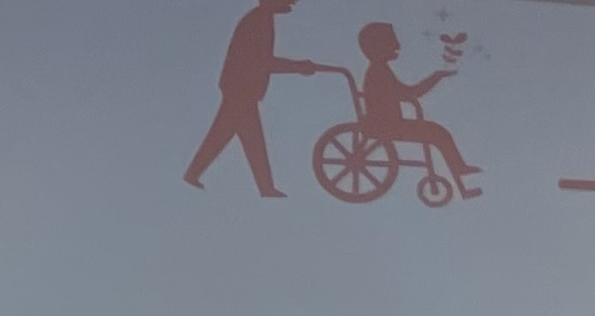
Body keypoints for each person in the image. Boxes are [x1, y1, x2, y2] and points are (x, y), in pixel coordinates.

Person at [184, 0, 338, 198]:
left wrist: (298, 66)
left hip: (241, 88)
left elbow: (261, 61)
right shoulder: (258, 21)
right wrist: (298, 67)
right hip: (241, 88)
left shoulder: (260, 19)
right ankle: (264, 188)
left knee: (234, 135)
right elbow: (262, 61)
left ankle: (261, 187)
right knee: (243, 137)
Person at [346, 21, 478, 197]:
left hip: (391, 123)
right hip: (389, 125)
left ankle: (459, 171)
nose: (397, 47)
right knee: (438, 134)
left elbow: (406, 94)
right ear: (377, 47)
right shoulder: (379, 72)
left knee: (438, 133)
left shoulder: (380, 70)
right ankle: (459, 173)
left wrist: (436, 77)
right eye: (391, 43)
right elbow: (410, 93)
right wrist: (435, 77)